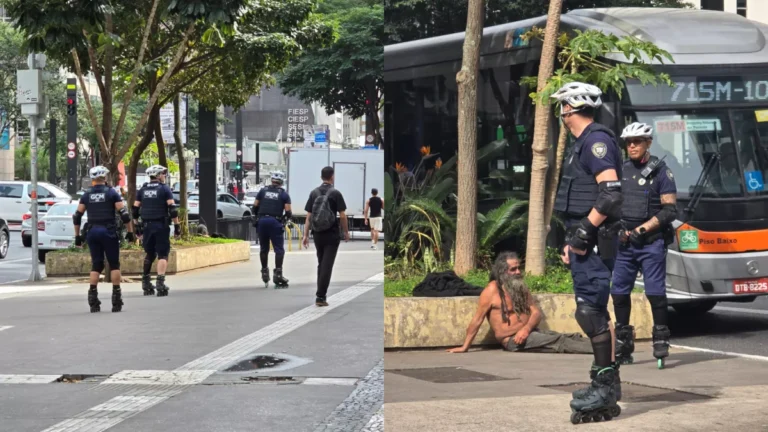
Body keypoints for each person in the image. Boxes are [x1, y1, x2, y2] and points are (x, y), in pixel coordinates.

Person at [551, 82, 623, 423]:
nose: (561, 112)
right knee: (592, 310)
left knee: (590, 311)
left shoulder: (595, 141)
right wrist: (571, 239)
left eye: (562, 105)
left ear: (571, 108)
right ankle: (604, 380)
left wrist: (583, 233)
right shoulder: (584, 142)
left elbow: (609, 194)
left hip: (593, 239)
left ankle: (605, 386)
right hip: (584, 239)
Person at [611, 122, 677, 369]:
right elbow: (610, 201)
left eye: (637, 141)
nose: (632, 146)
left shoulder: (661, 172)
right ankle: (624, 344)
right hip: (624, 242)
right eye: (628, 142)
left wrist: (642, 229)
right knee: (619, 293)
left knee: (655, 293)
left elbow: (670, 210)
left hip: (650, 242)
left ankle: (660, 340)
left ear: (648, 142)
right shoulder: (621, 169)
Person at [447, 252, 593, 354]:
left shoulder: (520, 286)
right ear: (502, 272)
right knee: (560, 341)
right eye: (513, 269)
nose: (518, 272)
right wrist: (465, 347)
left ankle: (606, 345)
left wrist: (526, 329)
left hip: (529, 333)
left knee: (568, 337)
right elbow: (477, 319)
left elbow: (536, 313)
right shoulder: (491, 291)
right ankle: (604, 351)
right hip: (512, 340)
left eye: (518, 268)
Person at [73, 166, 135, 313]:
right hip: (108, 231)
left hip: (93, 232)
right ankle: (116, 299)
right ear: (104, 178)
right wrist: (131, 232)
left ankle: (93, 298)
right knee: (114, 264)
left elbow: (77, 216)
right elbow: (124, 214)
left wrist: (77, 237)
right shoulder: (111, 193)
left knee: (96, 264)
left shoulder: (86, 195)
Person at [302, 166, 349, 307]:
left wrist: (305, 235)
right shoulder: (335, 193)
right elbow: (342, 215)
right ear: (332, 177)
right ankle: (321, 297)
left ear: (321, 177)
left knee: (321, 263)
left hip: (317, 234)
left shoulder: (314, 193)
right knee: (327, 265)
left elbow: (309, 216)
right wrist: (345, 231)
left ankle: (320, 293)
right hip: (331, 233)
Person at [133, 165, 180, 297]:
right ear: (158, 175)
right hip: (161, 225)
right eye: (163, 174)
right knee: (162, 254)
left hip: (147, 226)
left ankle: (146, 281)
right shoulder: (164, 189)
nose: (164, 176)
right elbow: (173, 209)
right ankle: (160, 282)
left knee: (149, 253)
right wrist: (177, 226)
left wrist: (137, 226)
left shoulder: (142, 189)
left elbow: (135, 210)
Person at [252, 171, 292, 288]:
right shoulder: (284, 194)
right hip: (275, 222)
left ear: (272, 180)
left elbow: (254, 207)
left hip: (262, 221)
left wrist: (258, 217)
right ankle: (278, 275)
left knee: (264, 249)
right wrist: (283, 221)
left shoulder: (263, 191)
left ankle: (264, 272)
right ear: (281, 181)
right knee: (279, 250)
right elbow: (288, 212)